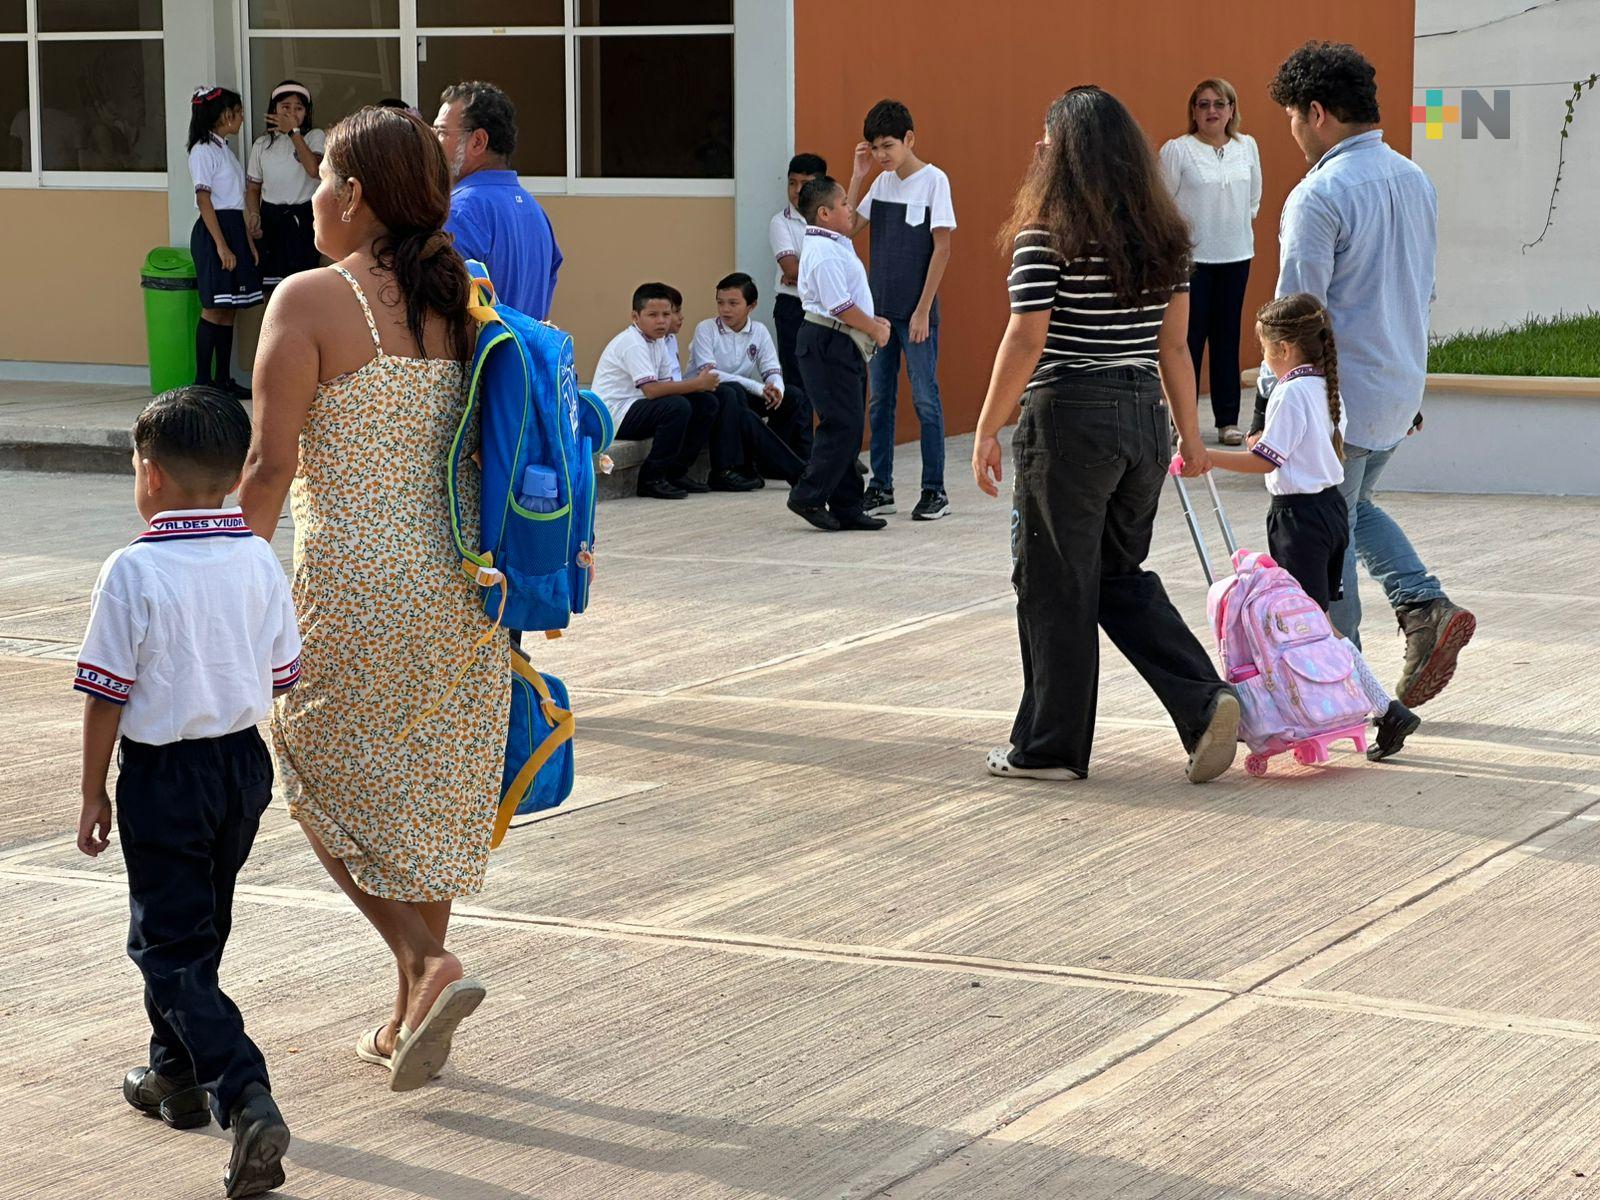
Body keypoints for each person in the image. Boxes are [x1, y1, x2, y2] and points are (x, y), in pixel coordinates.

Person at [238, 105, 505, 1093]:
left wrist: (221, 572)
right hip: (464, 578)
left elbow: (268, 465)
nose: (309, 195)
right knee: (428, 788)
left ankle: (423, 961)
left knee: (304, 758)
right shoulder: (461, 298)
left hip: (355, 576)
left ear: (352, 196)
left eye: (320, 180)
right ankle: (407, 1018)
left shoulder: (309, 299)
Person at [971, 85, 1239, 784]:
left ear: (1067, 154)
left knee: (1054, 583)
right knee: (1116, 577)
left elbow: (1027, 338)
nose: (1037, 149)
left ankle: (1051, 748)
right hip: (1144, 422)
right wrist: (1191, 437)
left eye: (1047, 139)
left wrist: (988, 424)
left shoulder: (1045, 235)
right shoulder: (1168, 238)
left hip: (1067, 419)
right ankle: (1205, 700)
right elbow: (1176, 349)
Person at [74, 387, 298, 1198]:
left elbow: (106, 692)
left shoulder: (133, 568)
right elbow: (281, 673)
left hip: (166, 775)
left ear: (149, 475)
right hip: (242, 764)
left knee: (165, 946)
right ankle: (173, 1075)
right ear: (238, 475)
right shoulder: (259, 555)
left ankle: (243, 1092)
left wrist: (93, 792)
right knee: (198, 928)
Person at [1264, 40, 1474, 705]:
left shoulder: (1318, 194)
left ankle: (1349, 684)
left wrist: (1278, 401)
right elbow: (1421, 289)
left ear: (1317, 112)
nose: (1294, 131)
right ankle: (1422, 606)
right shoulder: (1414, 178)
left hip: (1334, 401)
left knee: (1325, 532)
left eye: (1294, 117)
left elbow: (1298, 316)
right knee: (1352, 511)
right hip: (1396, 386)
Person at [1202, 294, 1420, 760]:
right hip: (1329, 511)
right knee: (1321, 625)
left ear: (1282, 348)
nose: (1263, 358)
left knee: (1309, 629)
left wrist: (1206, 459)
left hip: (1298, 519)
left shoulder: (1288, 391)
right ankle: (1381, 707)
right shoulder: (1324, 385)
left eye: (1263, 349)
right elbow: (1295, 444)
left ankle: (1376, 707)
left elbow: (1265, 458)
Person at [847, 99, 955, 522]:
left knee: (926, 400)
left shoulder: (934, 182)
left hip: (916, 317)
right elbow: (847, 228)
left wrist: (923, 310)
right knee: (880, 402)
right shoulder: (881, 183)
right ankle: (881, 487)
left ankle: (935, 491)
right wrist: (858, 177)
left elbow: (943, 248)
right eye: (874, 148)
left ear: (909, 139)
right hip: (881, 317)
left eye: (887, 146)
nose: (881, 156)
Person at [1158, 77, 1262, 445]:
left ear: (1231, 109)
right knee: (1184, 339)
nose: (1212, 111)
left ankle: (1227, 421)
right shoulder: (1178, 151)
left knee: (1227, 339)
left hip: (1235, 257)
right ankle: (1175, 420)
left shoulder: (1246, 147)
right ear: (1193, 112)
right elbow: (1161, 204)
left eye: (1219, 104)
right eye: (1203, 104)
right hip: (1190, 262)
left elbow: (1253, 200)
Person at [788, 175, 891, 533]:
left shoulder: (834, 240)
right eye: (844, 203)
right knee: (841, 424)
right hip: (826, 342)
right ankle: (808, 494)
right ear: (824, 213)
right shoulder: (822, 253)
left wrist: (859, 173)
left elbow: (849, 302)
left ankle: (848, 504)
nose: (851, 208)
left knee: (849, 424)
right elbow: (840, 305)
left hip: (840, 341)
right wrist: (875, 328)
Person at [593, 282, 755, 498]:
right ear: (635, 316)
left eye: (666, 314)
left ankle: (676, 472)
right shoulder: (632, 343)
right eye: (653, 315)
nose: (661, 321)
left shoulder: (658, 341)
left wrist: (699, 390)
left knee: (706, 403)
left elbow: (668, 385)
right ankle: (651, 478)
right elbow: (652, 390)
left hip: (637, 406)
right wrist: (698, 383)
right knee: (676, 407)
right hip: (614, 416)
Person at [435, 81, 562, 320]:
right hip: (524, 357)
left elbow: (441, 319)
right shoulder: (536, 212)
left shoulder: (460, 211)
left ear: (477, 141)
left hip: (479, 358)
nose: (433, 141)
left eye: (441, 132)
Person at [689, 272, 808, 485]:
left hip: (739, 395)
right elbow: (710, 374)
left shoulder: (759, 331)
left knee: (792, 395)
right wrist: (757, 387)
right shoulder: (706, 329)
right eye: (720, 303)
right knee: (732, 391)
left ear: (751, 306)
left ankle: (770, 464)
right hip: (708, 396)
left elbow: (772, 368)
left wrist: (776, 388)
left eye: (733, 303)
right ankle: (726, 470)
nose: (725, 309)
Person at [187, 86, 260, 398]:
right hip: (214, 230)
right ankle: (203, 381)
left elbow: (236, 200)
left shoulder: (224, 150)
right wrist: (221, 245)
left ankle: (223, 380)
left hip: (233, 227)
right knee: (214, 308)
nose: (241, 118)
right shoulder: (202, 150)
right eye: (237, 112)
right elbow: (204, 200)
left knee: (230, 309)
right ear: (221, 116)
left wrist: (247, 242)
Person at [768, 151, 826, 460]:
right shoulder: (781, 222)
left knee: (827, 381)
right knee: (797, 381)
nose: (797, 190)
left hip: (826, 310)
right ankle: (803, 454)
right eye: (792, 182)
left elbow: (839, 268)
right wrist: (815, 273)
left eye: (806, 183)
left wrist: (808, 272)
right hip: (792, 309)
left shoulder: (831, 218)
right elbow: (791, 270)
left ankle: (832, 451)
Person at [246, 80, 324, 291]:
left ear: (306, 113)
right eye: (285, 107)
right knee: (272, 292)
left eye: (298, 108)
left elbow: (314, 170)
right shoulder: (262, 144)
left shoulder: (314, 137)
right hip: (270, 220)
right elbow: (253, 188)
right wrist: (254, 215)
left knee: (302, 290)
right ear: (274, 110)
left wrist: (293, 133)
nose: (291, 114)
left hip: (303, 221)